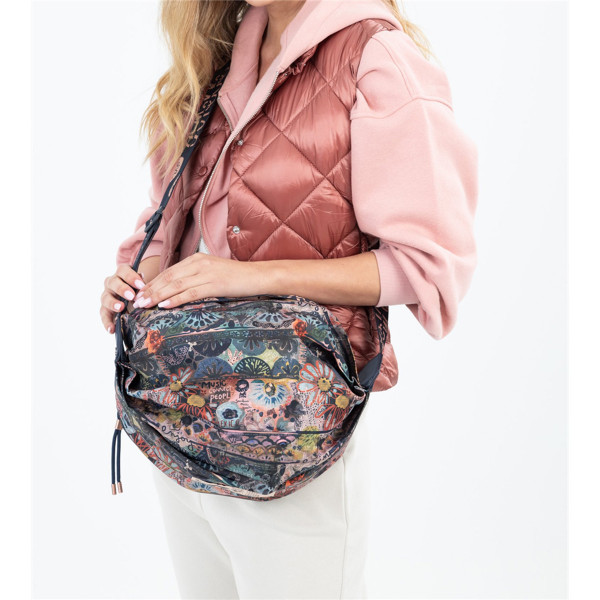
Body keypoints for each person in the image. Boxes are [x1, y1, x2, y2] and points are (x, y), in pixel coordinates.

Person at [99, 0, 479, 597]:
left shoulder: (375, 57)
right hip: (182, 422)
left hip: (294, 436)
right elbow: (169, 225)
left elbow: (427, 265)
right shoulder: (217, 56)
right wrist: (138, 279)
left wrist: (251, 276)